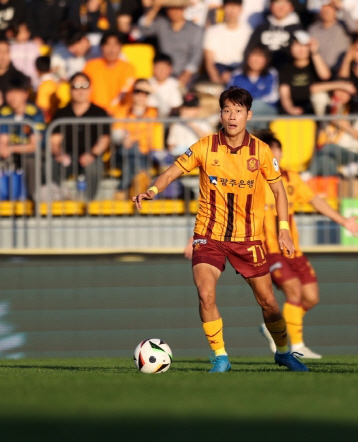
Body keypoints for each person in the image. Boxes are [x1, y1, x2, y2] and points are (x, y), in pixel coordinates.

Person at [132, 86, 309, 373]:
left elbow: (279, 192)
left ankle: (284, 352)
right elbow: (172, 171)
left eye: (238, 111)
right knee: (206, 293)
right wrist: (152, 189)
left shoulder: (261, 152)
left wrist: (284, 229)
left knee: (269, 302)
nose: (232, 116)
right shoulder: (204, 146)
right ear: (221, 114)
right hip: (208, 235)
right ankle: (220, 357)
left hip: (247, 237)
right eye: (227, 110)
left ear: (248, 115)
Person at [256, 134, 358, 358]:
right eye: (269, 151)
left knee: (311, 297)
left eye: (277, 150)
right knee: (294, 290)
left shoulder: (290, 178)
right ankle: (295, 348)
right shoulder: (253, 182)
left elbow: (314, 200)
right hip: (269, 251)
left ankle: (274, 327)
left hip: (293, 250)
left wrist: (344, 221)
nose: (274, 155)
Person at [49, 72, 110, 201]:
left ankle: (87, 203)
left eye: (84, 85)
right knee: (52, 164)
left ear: (90, 89)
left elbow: (104, 140)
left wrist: (91, 154)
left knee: (94, 167)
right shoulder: (62, 113)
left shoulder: (100, 113)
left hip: (91, 156)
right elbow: (54, 141)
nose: (80, 90)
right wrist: (59, 154)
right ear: (70, 89)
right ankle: (59, 199)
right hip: (68, 156)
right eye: (76, 86)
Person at [112, 79, 164, 200]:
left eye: (145, 92)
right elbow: (116, 134)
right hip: (124, 152)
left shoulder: (153, 111)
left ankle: (122, 189)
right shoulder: (122, 110)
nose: (141, 95)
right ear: (132, 93)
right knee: (132, 149)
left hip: (145, 155)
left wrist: (154, 91)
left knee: (133, 158)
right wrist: (123, 139)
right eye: (137, 91)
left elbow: (165, 107)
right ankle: (142, 182)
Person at [0, 76, 46, 201]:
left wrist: (10, 148)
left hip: (34, 153)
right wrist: (3, 149)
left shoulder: (35, 113)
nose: (12, 97)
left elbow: (34, 145)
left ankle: (34, 200)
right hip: (13, 152)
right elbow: (3, 141)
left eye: (16, 92)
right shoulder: (4, 112)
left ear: (25, 94)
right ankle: (2, 201)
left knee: (31, 160)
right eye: (9, 92)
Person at [139, 0, 204, 90]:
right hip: (163, 74)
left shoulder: (195, 29)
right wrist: (155, 8)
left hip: (186, 75)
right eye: (171, 8)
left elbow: (196, 56)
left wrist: (186, 74)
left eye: (178, 8)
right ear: (167, 10)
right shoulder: (162, 24)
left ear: (183, 9)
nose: (175, 12)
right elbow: (143, 28)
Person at [83, 32, 136, 114]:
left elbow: (125, 93)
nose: (111, 49)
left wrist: (111, 111)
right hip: (94, 114)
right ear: (101, 47)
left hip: (120, 116)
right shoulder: (90, 66)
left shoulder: (128, 68)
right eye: (107, 45)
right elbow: (85, 93)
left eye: (115, 45)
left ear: (120, 47)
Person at [203, 0, 251, 85]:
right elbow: (209, 62)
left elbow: (249, 60)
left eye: (235, 6)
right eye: (229, 6)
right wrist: (216, 80)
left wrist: (236, 76)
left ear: (241, 9)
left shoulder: (249, 32)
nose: (232, 11)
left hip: (241, 73)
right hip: (219, 71)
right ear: (223, 8)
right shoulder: (213, 31)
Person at [147, 53, 183, 119]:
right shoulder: (146, 83)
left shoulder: (175, 85)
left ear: (170, 69)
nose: (161, 71)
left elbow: (175, 108)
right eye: (158, 67)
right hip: (147, 119)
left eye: (164, 68)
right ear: (153, 67)